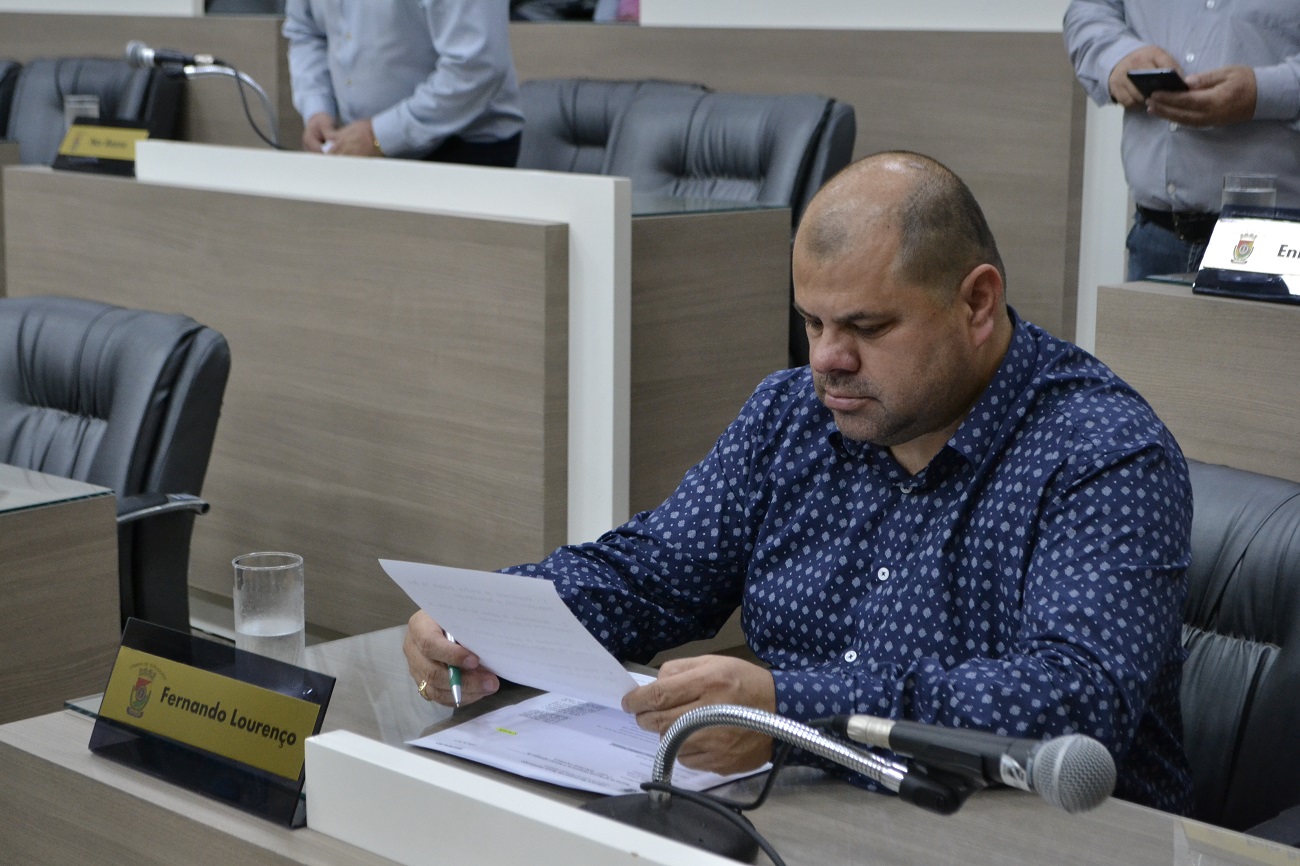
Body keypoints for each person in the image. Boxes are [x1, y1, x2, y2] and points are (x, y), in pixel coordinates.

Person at [404, 151, 1194, 812]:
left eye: (866, 328)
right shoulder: (791, 413)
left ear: (977, 303)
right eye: (813, 323)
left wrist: (792, 711)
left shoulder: (1104, 453)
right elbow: (652, 574)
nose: (826, 360)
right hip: (810, 822)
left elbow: (1073, 701)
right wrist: (487, 620)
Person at [1063, 0, 1300, 280]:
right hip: (1156, 235)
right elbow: (1089, 8)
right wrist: (1116, 56)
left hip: (1277, 243)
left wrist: (1263, 92)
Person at [283, 0, 524, 166]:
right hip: (358, 148)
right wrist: (317, 108)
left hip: (464, 148)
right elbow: (306, 31)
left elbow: (477, 66)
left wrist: (379, 135)